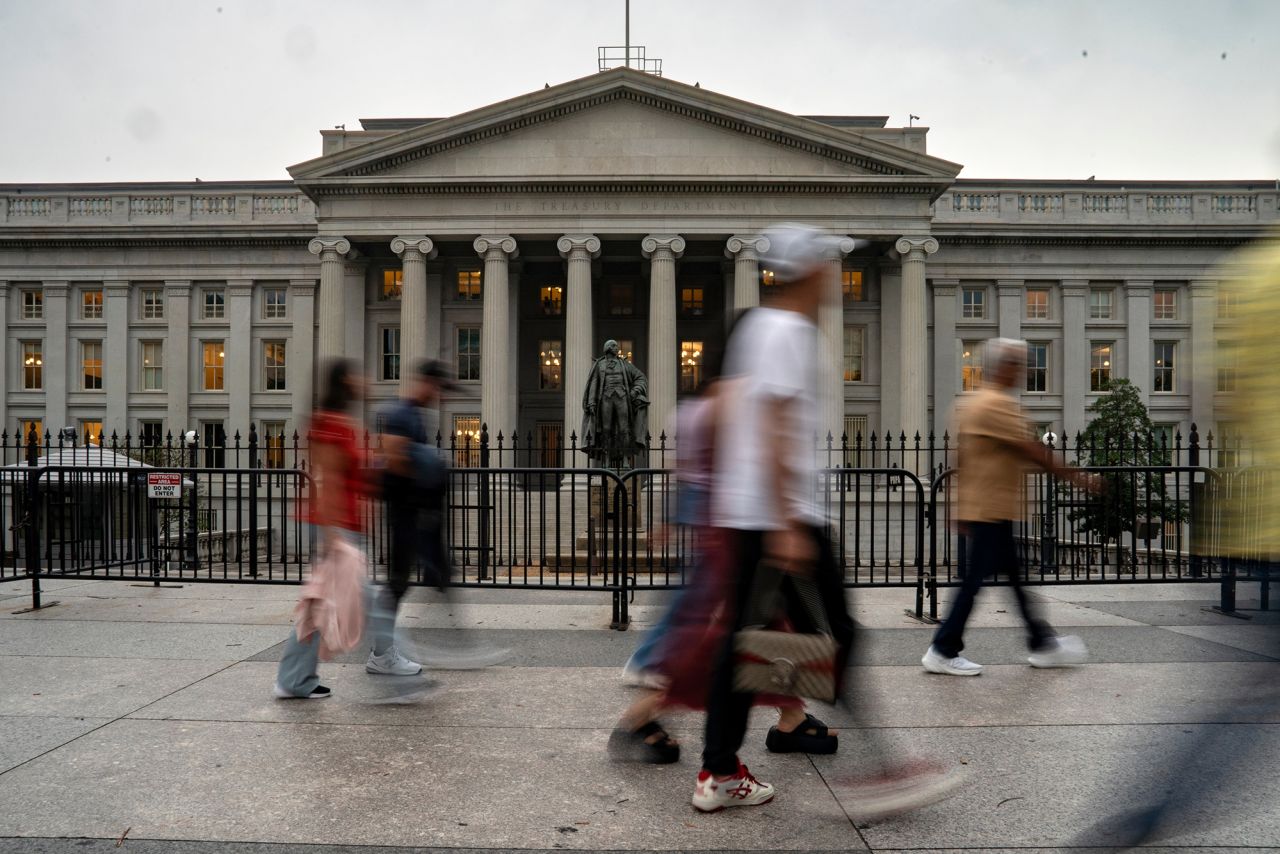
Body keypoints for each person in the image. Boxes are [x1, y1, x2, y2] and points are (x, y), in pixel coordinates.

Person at [693, 224, 956, 814]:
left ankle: (717, 773)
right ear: (809, 270)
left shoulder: (759, 328)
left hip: (749, 515)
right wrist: (788, 522)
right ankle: (886, 771)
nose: (835, 276)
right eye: (828, 265)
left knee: (745, 645)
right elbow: (774, 425)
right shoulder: (788, 331)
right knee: (837, 637)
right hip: (780, 517)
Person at [922, 338, 1100, 676]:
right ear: (1003, 367)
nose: (1022, 370)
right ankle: (943, 648)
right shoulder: (996, 404)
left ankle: (1041, 643)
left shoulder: (972, 403)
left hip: (988, 506)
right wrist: (1079, 478)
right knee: (975, 582)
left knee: (1015, 580)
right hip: (991, 508)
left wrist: (957, 504)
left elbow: (960, 457)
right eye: (1018, 364)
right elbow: (1032, 450)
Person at [274, 359, 368, 699]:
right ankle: (392, 666)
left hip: (343, 524)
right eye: (358, 374)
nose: (366, 380)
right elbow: (326, 480)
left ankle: (297, 678)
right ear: (345, 381)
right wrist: (332, 534)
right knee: (351, 603)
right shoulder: (330, 425)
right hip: (336, 526)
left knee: (322, 605)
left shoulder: (339, 423)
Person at [368, 359, 455, 677]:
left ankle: (382, 652)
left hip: (414, 512)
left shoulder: (415, 415)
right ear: (426, 382)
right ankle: (380, 653)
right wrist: (420, 485)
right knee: (396, 583)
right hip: (404, 512)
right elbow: (392, 456)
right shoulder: (402, 413)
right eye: (437, 387)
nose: (439, 395)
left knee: (417, 579)